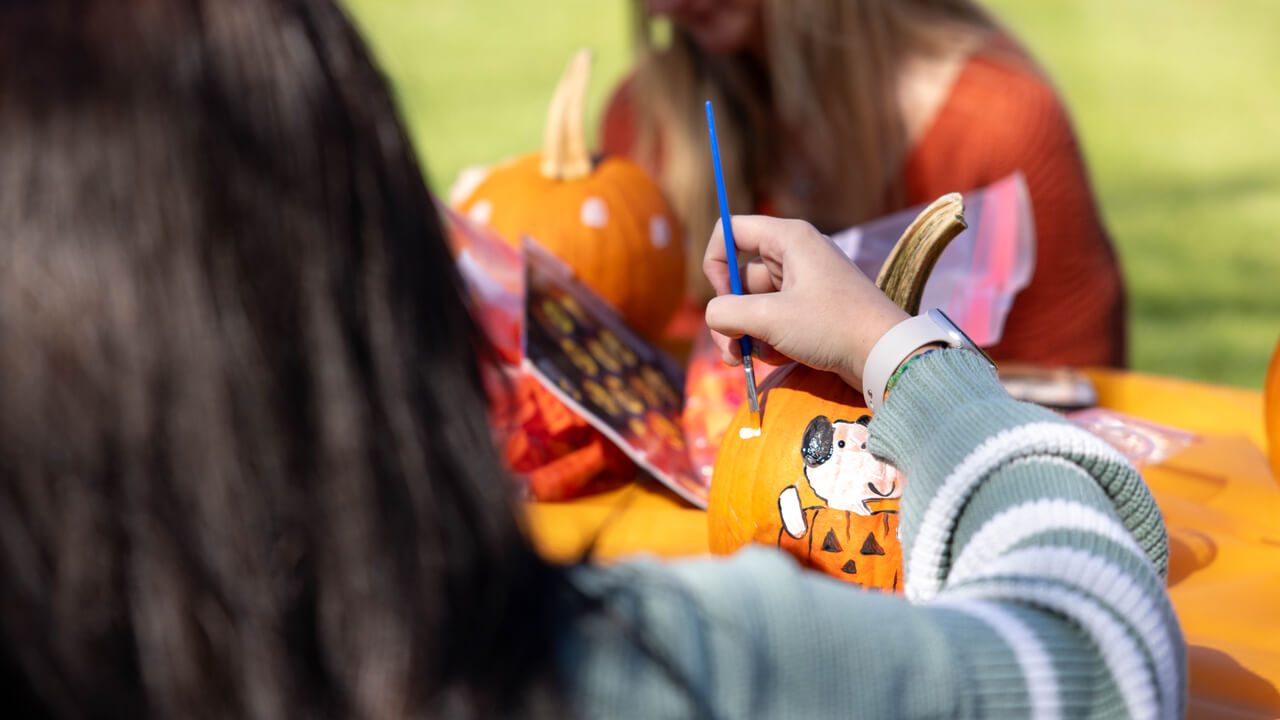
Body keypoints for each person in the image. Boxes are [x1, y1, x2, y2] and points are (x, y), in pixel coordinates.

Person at [0, 1, 1182, 718]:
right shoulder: (646, 672)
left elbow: (1084, 384)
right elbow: (1091, 660)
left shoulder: (989, 119)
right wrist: (896, 348)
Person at [605, 0, 1128, 369]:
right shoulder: (647, 124)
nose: (662, 7)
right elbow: (661, 366)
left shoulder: (1002, 128)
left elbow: (1073, 405)